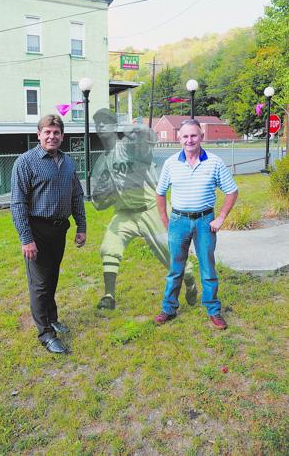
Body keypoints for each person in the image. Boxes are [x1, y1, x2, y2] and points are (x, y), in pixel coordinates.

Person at [91, 108, 197, 310]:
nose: (101, 126)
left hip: (150, 209)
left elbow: (148, 141)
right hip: (125, 213)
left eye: (106, 122)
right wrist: (102, 195)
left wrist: (140, 130)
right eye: (98, 124)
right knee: (109, 247)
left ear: (115, 126)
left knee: (171, 254)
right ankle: (108, 296)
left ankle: (190, 282)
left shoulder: (129, 145)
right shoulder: (101, 161)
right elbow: (98, 203)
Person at [11, 114, 86, 354]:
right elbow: (18, 204)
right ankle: (45, 333)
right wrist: (26, 238)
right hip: (37, 230)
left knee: (52, 277)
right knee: (40, 284)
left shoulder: (68, 163)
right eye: (47, 132)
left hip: (59, 229)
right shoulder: (25, 162)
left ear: (62, 136)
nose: (52, 136)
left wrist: (81, 226)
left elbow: (76, 196)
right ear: (39, 134)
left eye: (56, 133)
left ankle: (52, 317)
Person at [155, 119, 238, 330]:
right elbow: (160, 192)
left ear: (201, 136)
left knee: (208, 269)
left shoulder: (215, 162)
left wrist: (220, 218)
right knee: (175, 268)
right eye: (185, 136)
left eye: (193, 135)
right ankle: (168, 308)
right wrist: (166, 220)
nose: (189, 140)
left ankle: (213, 310)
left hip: (204, 222)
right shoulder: (171, 163)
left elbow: (232, 191)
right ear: (178, 138)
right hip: (179, 221)